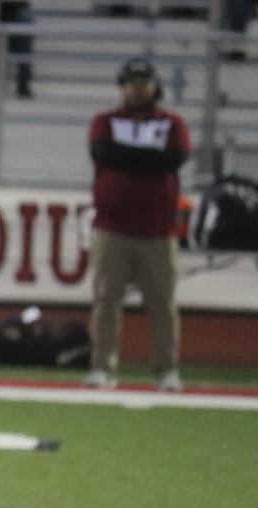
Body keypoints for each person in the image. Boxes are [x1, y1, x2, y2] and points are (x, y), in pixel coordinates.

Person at [85, 58, 190, 392]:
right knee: (106, 302)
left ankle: (166, 370)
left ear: (154, 86)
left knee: (162, 304)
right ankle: (103, 367)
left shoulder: (172, 123)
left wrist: (128, 157)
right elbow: (104, 153)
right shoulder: (105, 121)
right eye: (131, 82)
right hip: (112, 227)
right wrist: (149, 159)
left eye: (142, 82)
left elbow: (173, 158)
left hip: (158, 230)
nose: (136, 89)